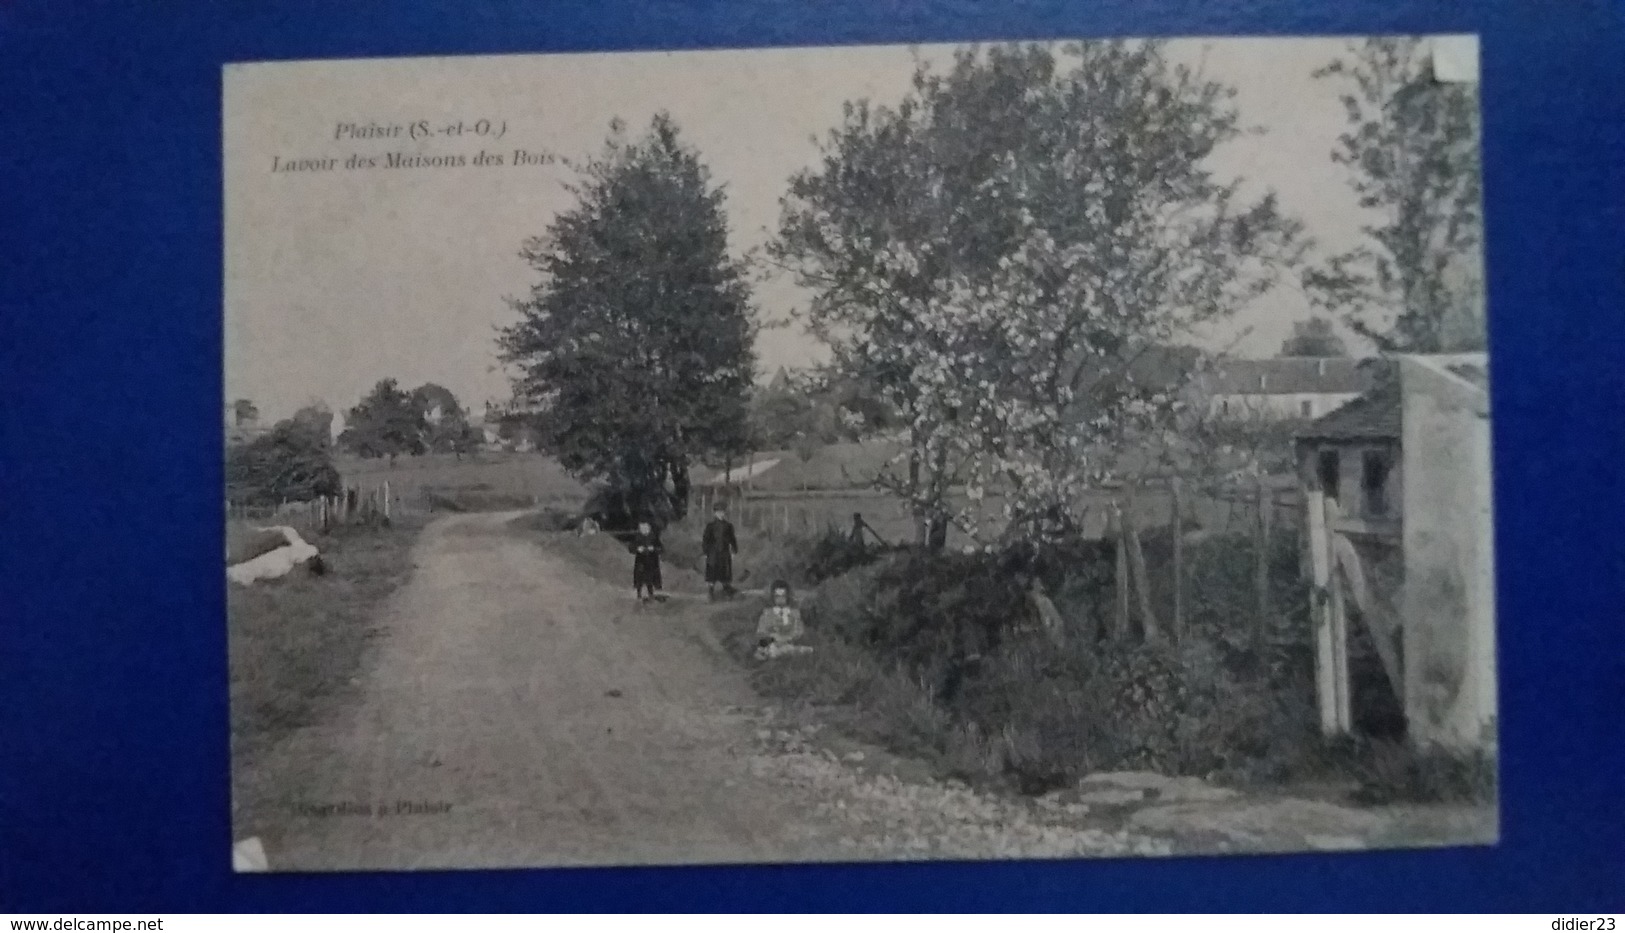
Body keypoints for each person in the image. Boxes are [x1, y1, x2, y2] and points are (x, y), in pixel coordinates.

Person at [754, 580, 811, 660]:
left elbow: (799, 631)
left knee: (799, 650)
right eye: (777, 596)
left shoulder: (794, 613)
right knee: (770, 651)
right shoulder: (767, 613)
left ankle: (789, 652)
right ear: (773, 597)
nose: (780, 599)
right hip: (772, 645)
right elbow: (761, 631)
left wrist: (787, 638)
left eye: (783, 596)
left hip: (789, 643)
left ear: (787, 596)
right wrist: (773, 637)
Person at [701, 503, 738, 601]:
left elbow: (732, 539)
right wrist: (705, 552)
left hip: (724, 553)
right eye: (718, 512)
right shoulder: (710, 526)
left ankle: (727, 591)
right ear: (715, 513)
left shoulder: (728, 526)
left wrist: (734, 550)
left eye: (722, 512)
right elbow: (706, 540)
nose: (721, 514)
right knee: (712, 573)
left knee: (725, 573)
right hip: (713, 553)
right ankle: (710, 593)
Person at [630, 519, 664, 602]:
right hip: (640, 561)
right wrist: (638, 549)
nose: (643, 530)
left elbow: (661, 548)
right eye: (641, 528)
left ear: (649, 528)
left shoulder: (654, 537)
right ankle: (639, 593)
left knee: (650, 578)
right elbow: (631, 547)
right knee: (639, 577)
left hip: (651, 561)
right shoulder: (638, 537)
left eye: (644, 528)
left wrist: (653, 549)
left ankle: (651, 593)